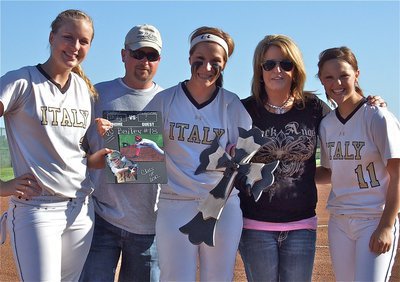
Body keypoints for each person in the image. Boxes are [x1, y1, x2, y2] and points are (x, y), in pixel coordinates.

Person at [237, 34, 387, 282]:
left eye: (286, 64)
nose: (278, 70)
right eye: (269, 64)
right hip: (255, 225)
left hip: (301, 225)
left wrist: (372, 103)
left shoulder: (314, 108)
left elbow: (347, 120)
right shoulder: (243, 109)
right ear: (259, 70)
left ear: (295, 70)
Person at [0, 9, 110, 281]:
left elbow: (82, 157)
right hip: (37, 209)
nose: (75, 47)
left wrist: (108, 153)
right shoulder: (22, 81)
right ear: (51, 37)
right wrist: (2, 186)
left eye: (83, 41)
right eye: (68, 37)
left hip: (81, 209)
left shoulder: (85, 91)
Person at [143, 26, 252, 281]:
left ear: (224, 64)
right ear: (190, 58)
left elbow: (248, 151)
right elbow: (134, 149)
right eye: (200, 59)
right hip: (174, 203)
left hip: (220, 206)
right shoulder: (165, 100)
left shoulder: (231, 104)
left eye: (216, 61)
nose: (207, 67)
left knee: (219, 277)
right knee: (175, 277)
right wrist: (114, 134)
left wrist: (240, 155)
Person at [79, 24, 163, 282]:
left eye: (152, 55)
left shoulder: (168, 100)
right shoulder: (95, 95)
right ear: (124, 54)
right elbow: (75, 148)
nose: (144, 61)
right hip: (101, 220)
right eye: (138, 54)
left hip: (149, 225)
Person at [316, 46, 399, 281]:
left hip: (373, 219)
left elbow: (397, 175)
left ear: (357, 75)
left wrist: (386, 225)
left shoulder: (377, 117)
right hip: (340, 221)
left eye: (343, 75)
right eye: (329, 77)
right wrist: (292, 174)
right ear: (321, 80)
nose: (337, 83)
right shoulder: (327, 124)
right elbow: (328, 172)